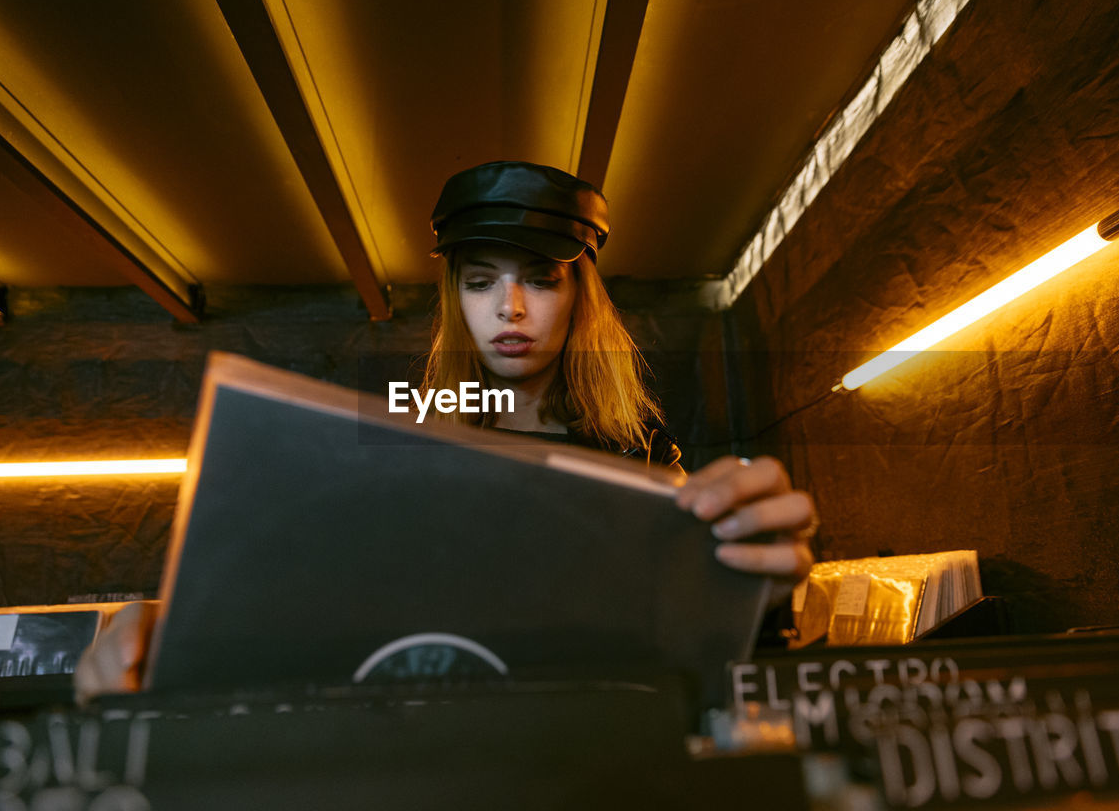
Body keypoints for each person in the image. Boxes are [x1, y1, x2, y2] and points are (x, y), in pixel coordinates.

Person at [74, 161, 816, 702]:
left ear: (581, 295)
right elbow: (314, 592)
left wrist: (756, 586)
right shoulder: (400, 437)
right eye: (481, 279)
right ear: (454, 298)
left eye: (540, 276)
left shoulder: (647, 454)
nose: (511, 308)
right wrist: (168, 624)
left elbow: (695, 657)